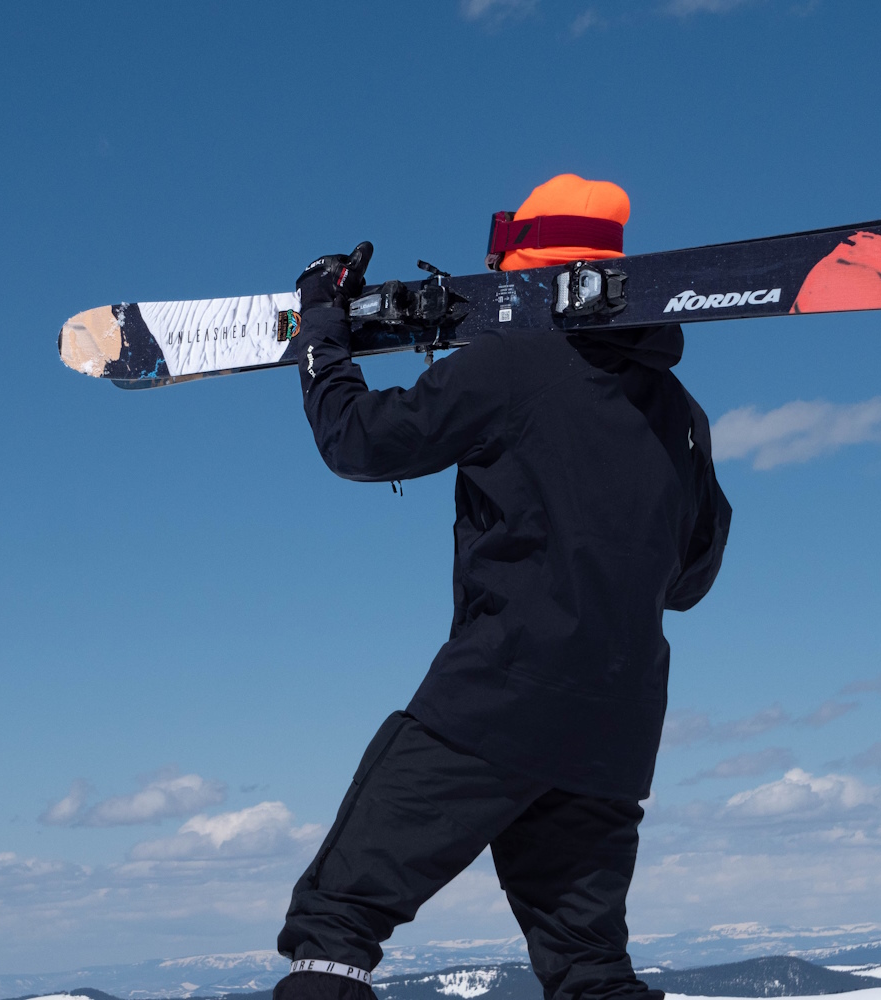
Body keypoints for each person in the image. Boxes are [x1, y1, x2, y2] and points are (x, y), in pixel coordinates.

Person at [274, 174, 732, 1000]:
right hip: (616, 729)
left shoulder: (512, 365)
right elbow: (691, 579)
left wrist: (322, 334)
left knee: (335, 925)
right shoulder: (682, 414)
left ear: (524, 265)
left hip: (498, 699)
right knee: (589, 967)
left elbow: (360, 443)